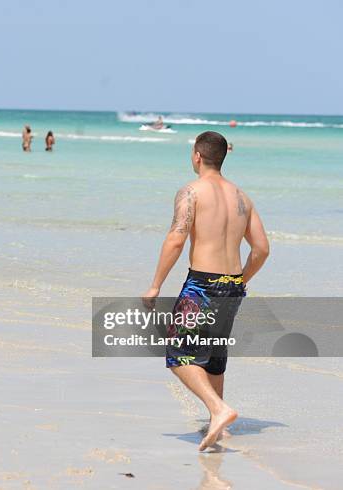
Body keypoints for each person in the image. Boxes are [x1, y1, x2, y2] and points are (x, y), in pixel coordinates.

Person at [142, 131, 269, 451]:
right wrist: (240, 280)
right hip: (231, 286)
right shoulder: (243, 197)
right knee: (213, 355)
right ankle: (221, 426)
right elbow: (262, 249)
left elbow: (176, 237)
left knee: (177, 351)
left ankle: (218, 409)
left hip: (202, 284)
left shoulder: (191, 192)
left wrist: (156, 283)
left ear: (197, 156)